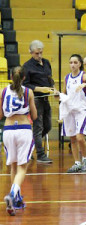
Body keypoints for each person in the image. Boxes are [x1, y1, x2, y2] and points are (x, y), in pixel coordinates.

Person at [1, 66, 37, 216]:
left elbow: (0, 114)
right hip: (23, 129)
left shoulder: (3, 91)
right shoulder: (28, 92)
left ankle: (15, 201)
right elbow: (34, 116)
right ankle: (12, 194)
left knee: (13, 166)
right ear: (24, 78)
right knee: (22, 167)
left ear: (10, 76)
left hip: (8, 130)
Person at [61, 54, 86, 173]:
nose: (72, 65)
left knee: (80, 137)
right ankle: (77, 163)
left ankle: (85, 160)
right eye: (71, 62)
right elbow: (63, 94)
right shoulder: (66, 78)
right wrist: (58, 95)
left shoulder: (84, 76)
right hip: (70, 111)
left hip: (81, 110)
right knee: (72, 139)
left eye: (75, 62)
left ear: (80, 64)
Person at [23, 40, 57, 163]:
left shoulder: (47, 62)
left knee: (47, 126)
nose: (39, 56)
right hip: (35, 100)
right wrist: (40, 89)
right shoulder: (26, 66)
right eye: (37, 53)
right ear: (31, 52)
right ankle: (40, 154)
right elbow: (25, 85)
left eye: (41, 53)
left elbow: (50, 79)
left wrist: (54, 89)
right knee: (38, 127)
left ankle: (29, 146)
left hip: (46, 98)